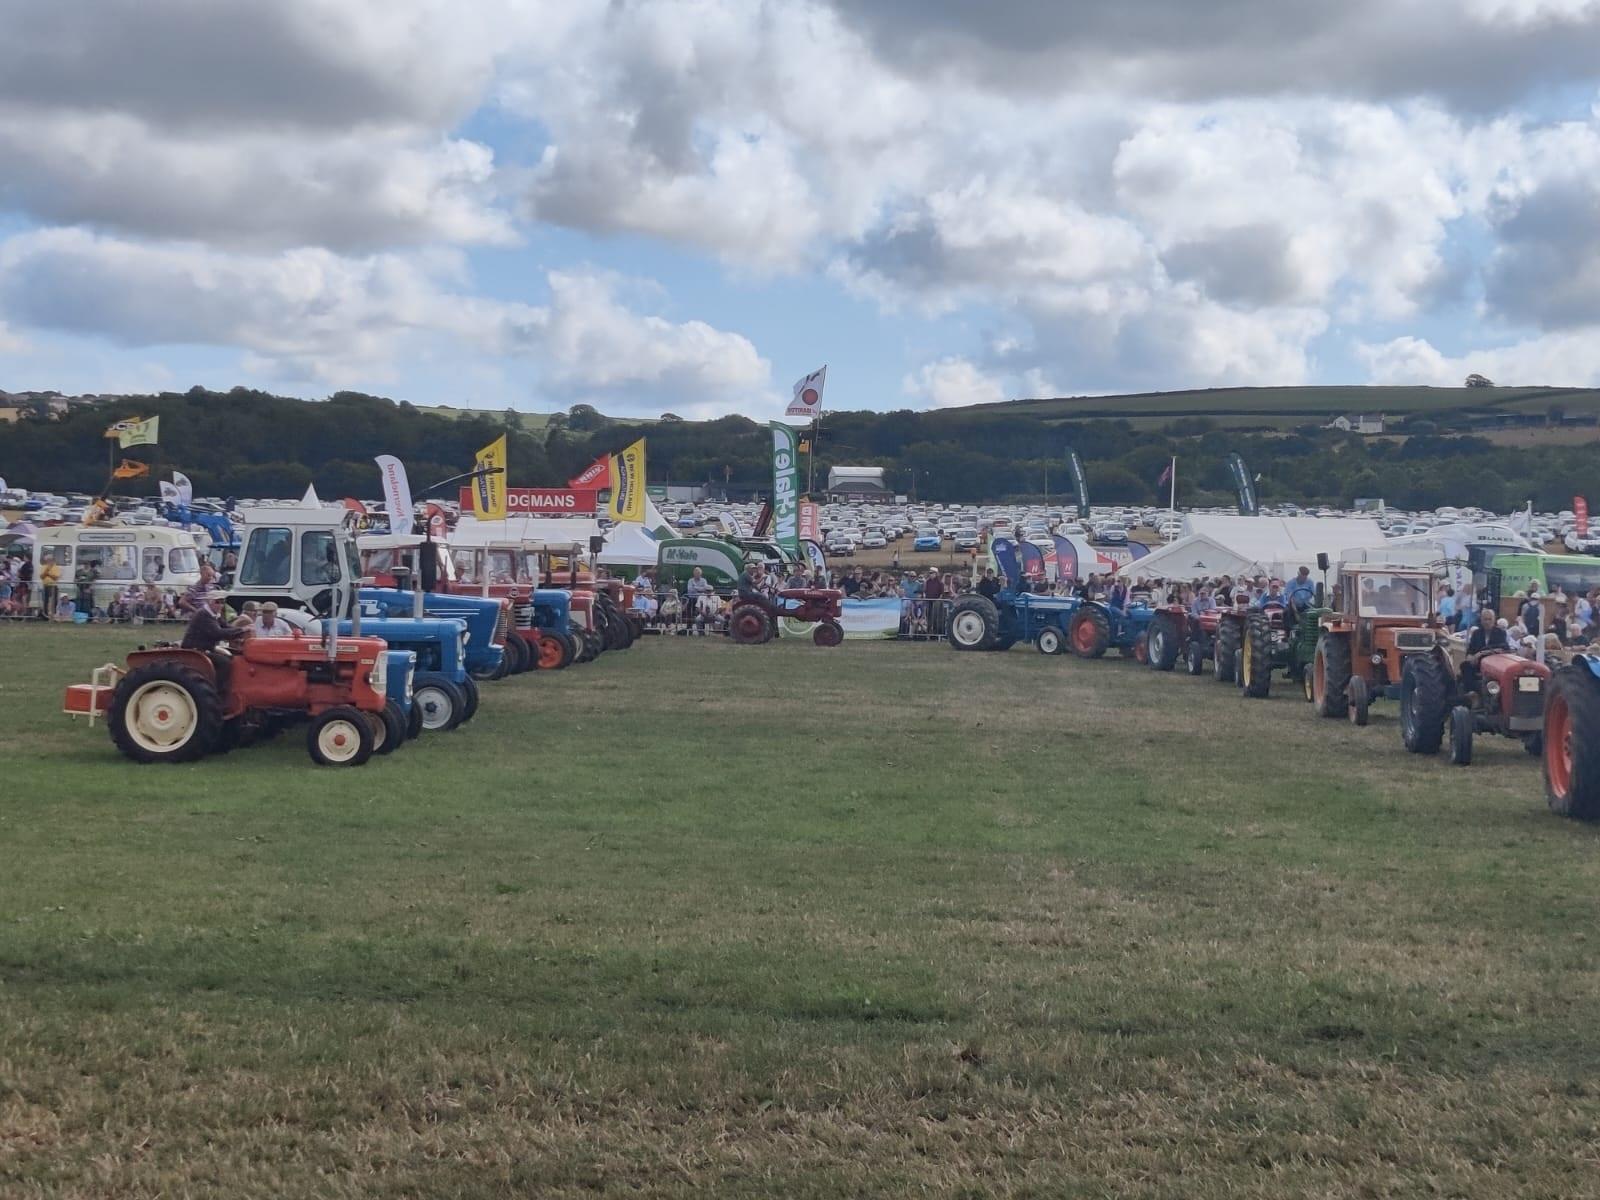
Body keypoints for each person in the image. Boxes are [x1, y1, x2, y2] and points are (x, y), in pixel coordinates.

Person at [181, 589, 247, 687]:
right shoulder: (203, 614)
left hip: (207, 647)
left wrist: (241, 633)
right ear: (210, 602)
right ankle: (219, 689)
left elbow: (226, 627)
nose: (220, 605)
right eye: (218, 602)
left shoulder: (214, 615)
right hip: (196, 649)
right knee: (224, 662)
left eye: (223, 602)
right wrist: (242, 630)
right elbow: (217, 633)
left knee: (234, 655)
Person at [38, 552, 61, 620]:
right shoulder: (44, 567)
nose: (49, 561)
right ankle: (45, 615)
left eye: (50, 560)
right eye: (47, 560)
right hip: (46, 585)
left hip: (53, 586)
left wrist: (48, 574)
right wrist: (47, 571)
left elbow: (55, 577)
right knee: (45, 601)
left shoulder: (56, 567)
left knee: (54, 601)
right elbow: (42, 576)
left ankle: (53, 615)